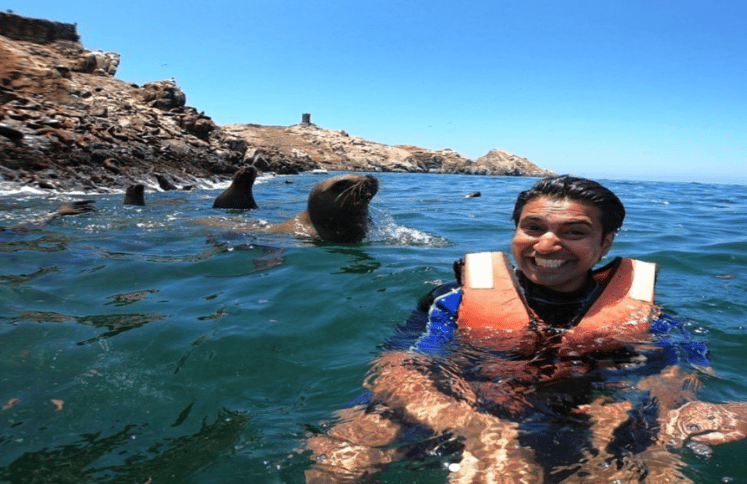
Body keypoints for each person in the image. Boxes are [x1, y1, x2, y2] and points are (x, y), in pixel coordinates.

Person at [305, 175, 746, 484]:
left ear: (605, 243)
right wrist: (478, 428)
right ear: (516, 231)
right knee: (338, 458)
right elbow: (400, 368)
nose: (547, 245)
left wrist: (666, 422)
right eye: (532, 228)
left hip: (576, 413)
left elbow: (674, 377)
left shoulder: (648, 317)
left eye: (574, 232)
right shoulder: (452, 300)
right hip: (457, 401)